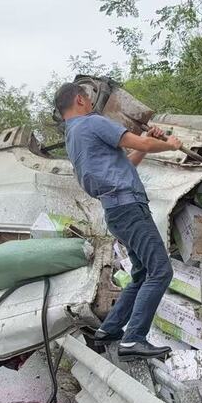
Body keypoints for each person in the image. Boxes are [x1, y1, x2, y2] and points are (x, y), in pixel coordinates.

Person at [54, 81, 183, 360]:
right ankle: (133, 339)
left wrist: (148, 143)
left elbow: (128, 162)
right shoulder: (92, 123)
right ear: (80, 99)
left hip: (115, 211)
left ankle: (109, 330)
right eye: (88, 99)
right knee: (160, 271)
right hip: (129, 207)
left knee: (141, 273)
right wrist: (169, 144)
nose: (91, 104)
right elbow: (142, 142)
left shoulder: (73, 136)